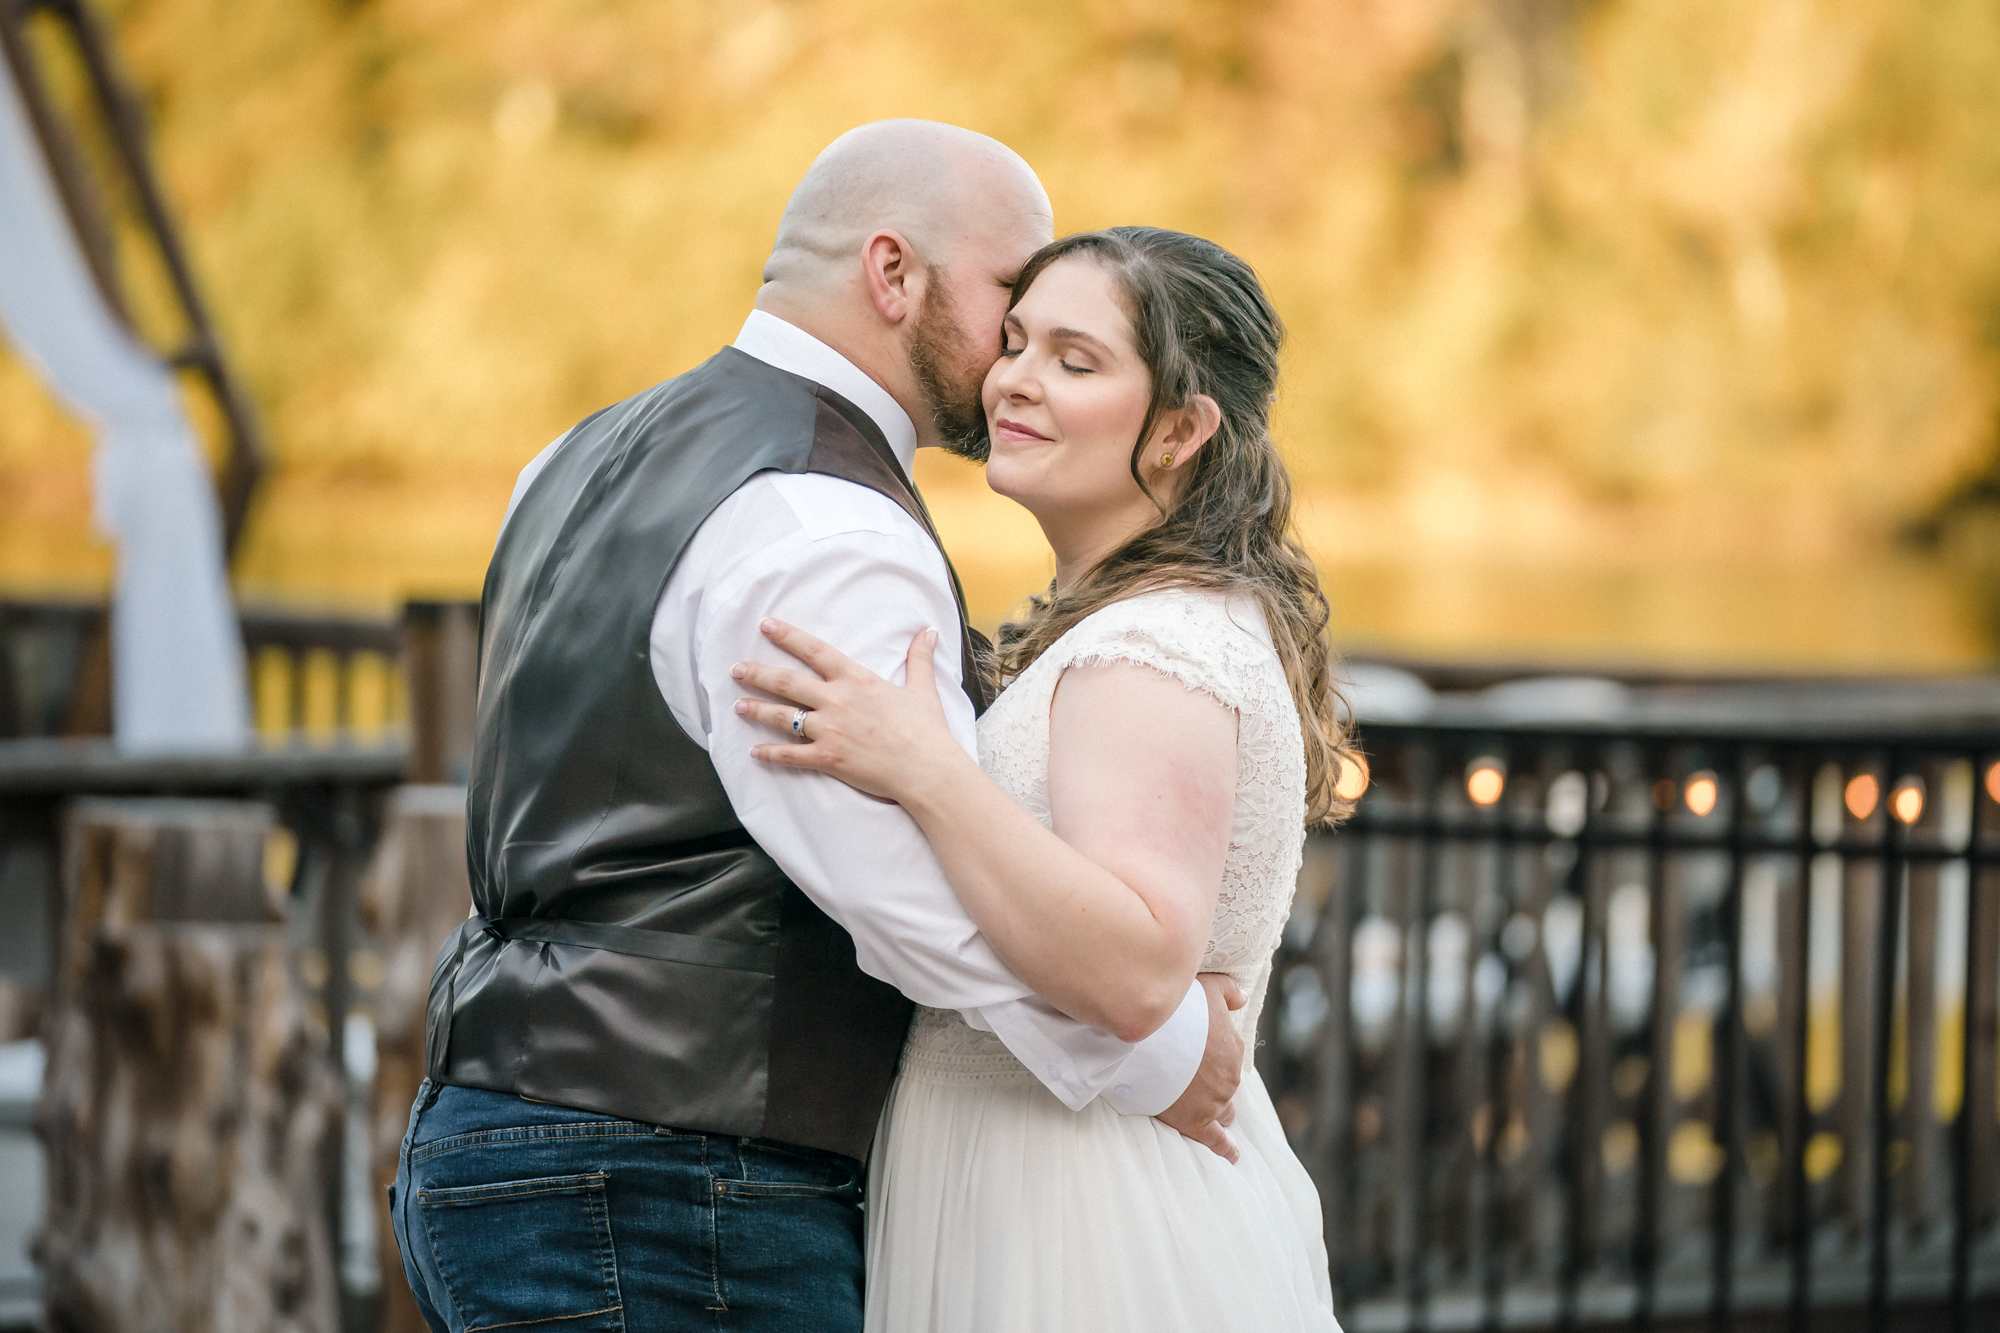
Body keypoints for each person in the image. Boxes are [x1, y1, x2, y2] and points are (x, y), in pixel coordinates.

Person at [389, 125, 1248, 1333]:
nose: (1013, 349)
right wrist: (1161, 1060)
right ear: (892, 274)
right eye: (1010, 297)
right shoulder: (826, 527)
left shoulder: (573, 454)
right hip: (670, 1184)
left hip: (503, 1128)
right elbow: (905, 897)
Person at [731, 226, 1354, 1331]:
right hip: (1029, 1161)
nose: (1012, 379)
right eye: (1014, 341)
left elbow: (1132, 965)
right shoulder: (1127, 623)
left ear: (1179, 429)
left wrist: (923, 766)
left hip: (1084, 1201)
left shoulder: (1153, 646)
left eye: (1074, 359)